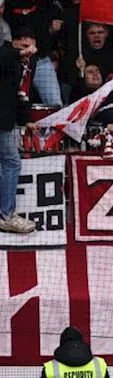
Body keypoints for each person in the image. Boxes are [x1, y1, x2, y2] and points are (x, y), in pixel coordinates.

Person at [0, 31, 37, 234]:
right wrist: (19, 53)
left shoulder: (24, 64)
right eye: (22, 46)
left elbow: (19, 94)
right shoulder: (6, 56)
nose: (27, 51)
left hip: (5, 121)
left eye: (30, 47)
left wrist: (26, 121)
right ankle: (7, 216)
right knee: (12, 162)